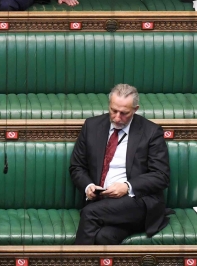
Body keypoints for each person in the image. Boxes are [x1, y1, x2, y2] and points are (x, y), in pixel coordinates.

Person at [69, 84, 171, 245]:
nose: (117, 118)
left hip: (137, 202)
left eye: (124, 113)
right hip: (102, 202)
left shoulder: (151, 132)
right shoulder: (92, 126)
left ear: (135, 109)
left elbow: (161, 176)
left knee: (89, 213)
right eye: (113, 111)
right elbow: (77, 166)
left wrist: (127, 186)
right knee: (104, 237)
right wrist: (88, 186)